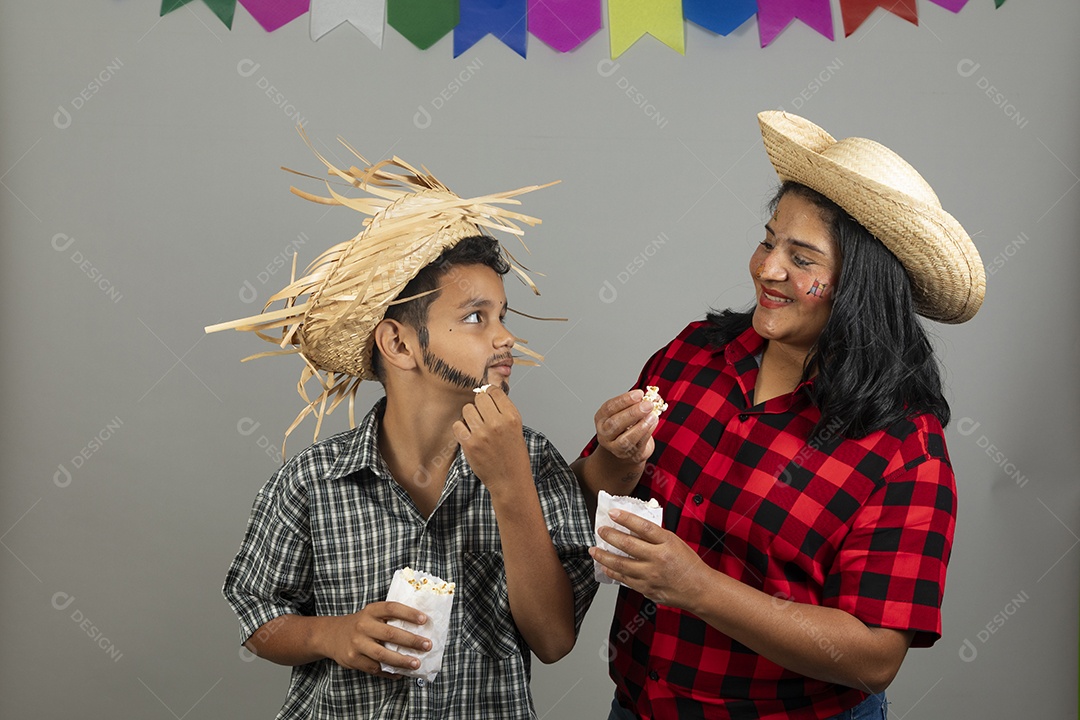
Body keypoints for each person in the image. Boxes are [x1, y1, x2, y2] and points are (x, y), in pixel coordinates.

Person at [574, 111, 985, 720]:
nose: (767, 268)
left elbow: (874, 658)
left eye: (802, 257)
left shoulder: (905, 449)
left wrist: (699, 588)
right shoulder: (692, 356)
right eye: (769, 241)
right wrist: (612, 456)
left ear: (858, 286)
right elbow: (584, 497)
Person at [208, 144, 596, 719]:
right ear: (398, 343)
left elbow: (553, 639)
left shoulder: (536, 463)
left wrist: (510, 482)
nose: (504, 337)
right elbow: (257, 617)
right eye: (474, 317)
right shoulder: (313, 481)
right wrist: (330, 636)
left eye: (503, 316)